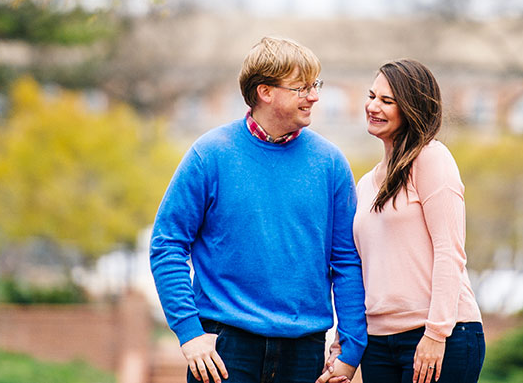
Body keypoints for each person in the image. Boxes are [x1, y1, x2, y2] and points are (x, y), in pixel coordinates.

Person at [149, 36, 367, 383]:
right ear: (265, 91)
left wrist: (352, 348)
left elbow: (346, 260)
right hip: (224, 349)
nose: (314, 96)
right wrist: (189, 333)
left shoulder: (331, 164)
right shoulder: (210, 155)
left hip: (304, 352)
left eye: (315, 85)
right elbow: (167, 244)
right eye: (301, 88)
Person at [350, 59, 484, 383]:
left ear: (410, 107)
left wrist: (437, 333)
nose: (373, 107)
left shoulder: (431, 158)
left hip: (440, 334)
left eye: (386, 101)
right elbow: (358, 266)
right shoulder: (365, 185)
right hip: (379, 342)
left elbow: (449, 251)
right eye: (371, 96)